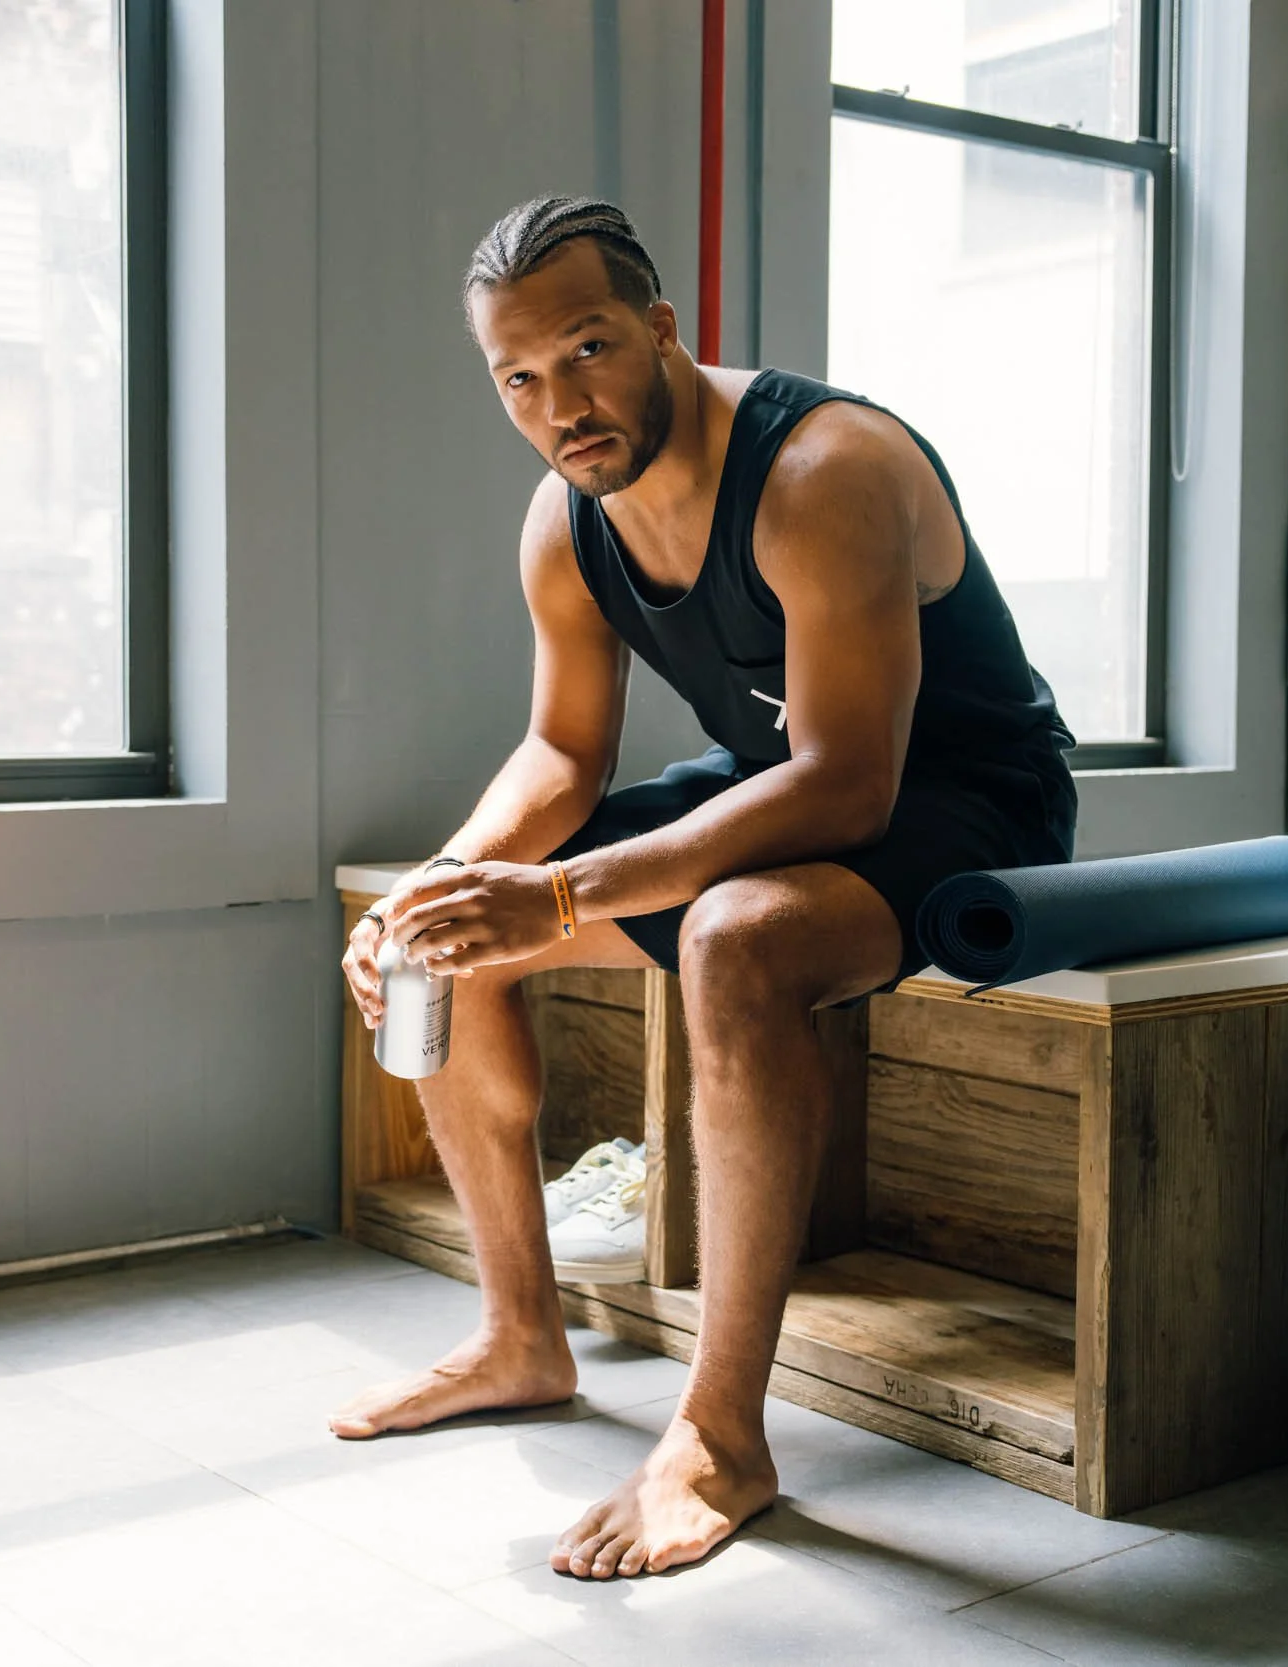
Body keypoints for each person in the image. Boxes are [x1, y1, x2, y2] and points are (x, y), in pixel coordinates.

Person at [330, 195, 1078, 1580]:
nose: (565, 402)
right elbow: (562, 750)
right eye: (522, 377)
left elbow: (851, 784)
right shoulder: (568, 519)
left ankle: (723, 1434)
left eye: (591, 348)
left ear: (663, 329)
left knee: (736, 939)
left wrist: (559, 901)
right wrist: (444, 880)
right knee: (445, 930)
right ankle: (519, 1334)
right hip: (781, 793)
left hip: (968, 805)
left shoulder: (823, 468)